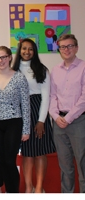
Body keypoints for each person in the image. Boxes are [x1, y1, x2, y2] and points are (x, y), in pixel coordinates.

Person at [0, 46, 30, 193]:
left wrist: (26, 130)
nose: (0, 60)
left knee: (10, 161)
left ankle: (12, 192)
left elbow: (26, 105)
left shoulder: (19, 77)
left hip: (13, 122)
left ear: (9, 57)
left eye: (3, 57)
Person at [13, 38, 56, 193]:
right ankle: (28, 187)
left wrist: (41, 121)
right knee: (27, 152)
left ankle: (39, 188)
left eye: (30, 49)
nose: (27, 52)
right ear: (20, 50)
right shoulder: (14, 69)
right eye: (24, 48)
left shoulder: (42, 69)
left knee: (40, 152)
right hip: (20, 112)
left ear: (35, 51)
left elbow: (46, 97)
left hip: (38, 110)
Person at [49, 34, 85, 193]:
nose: (66, 49)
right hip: (59, 124)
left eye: (70, 46)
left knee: (82, 165)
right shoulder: (55, 70)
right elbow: (52, 96)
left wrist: (68, 118)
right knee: (65, 167)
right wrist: (56, 116)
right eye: (63, 47)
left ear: (76, 48)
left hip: (78, 122)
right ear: (59, 50)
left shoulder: (84, 67)